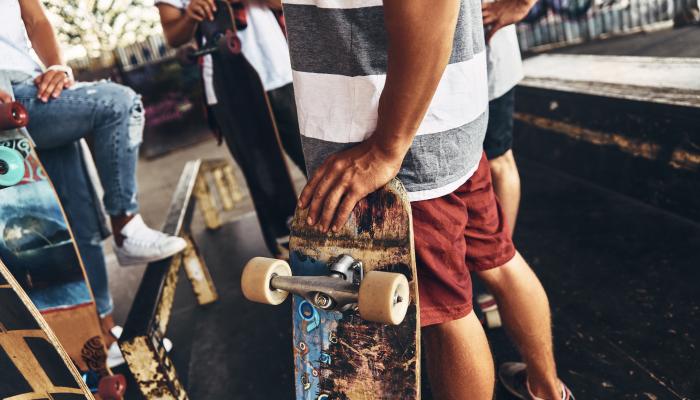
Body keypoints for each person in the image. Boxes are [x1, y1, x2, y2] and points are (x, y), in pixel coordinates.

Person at [283, 0, 573, 398]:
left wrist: (387, 146)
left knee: (444, 314)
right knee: (499, 259)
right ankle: (547, 389)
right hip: (449, 122)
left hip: (399, 144)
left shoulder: (390, 147)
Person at [0, 0, 186, 364]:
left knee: (76, 219)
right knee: (117, 104)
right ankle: (126, 223)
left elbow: (35, 17)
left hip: (34, 85)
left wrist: (56, 64)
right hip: (8, 100)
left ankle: (101, 335)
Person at [156, 0, 306, 257]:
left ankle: (353, 229)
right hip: (227, 83)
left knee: (315, 157)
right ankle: (290, 252)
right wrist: (191, 16)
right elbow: (173, 35)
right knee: (264, 177)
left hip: (280, 70)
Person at [479, 1, 575, 398]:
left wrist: (518, 4)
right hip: (438, 72)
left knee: (499, 160)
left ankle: (495, 266)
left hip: (483, 57)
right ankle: (494, 266)